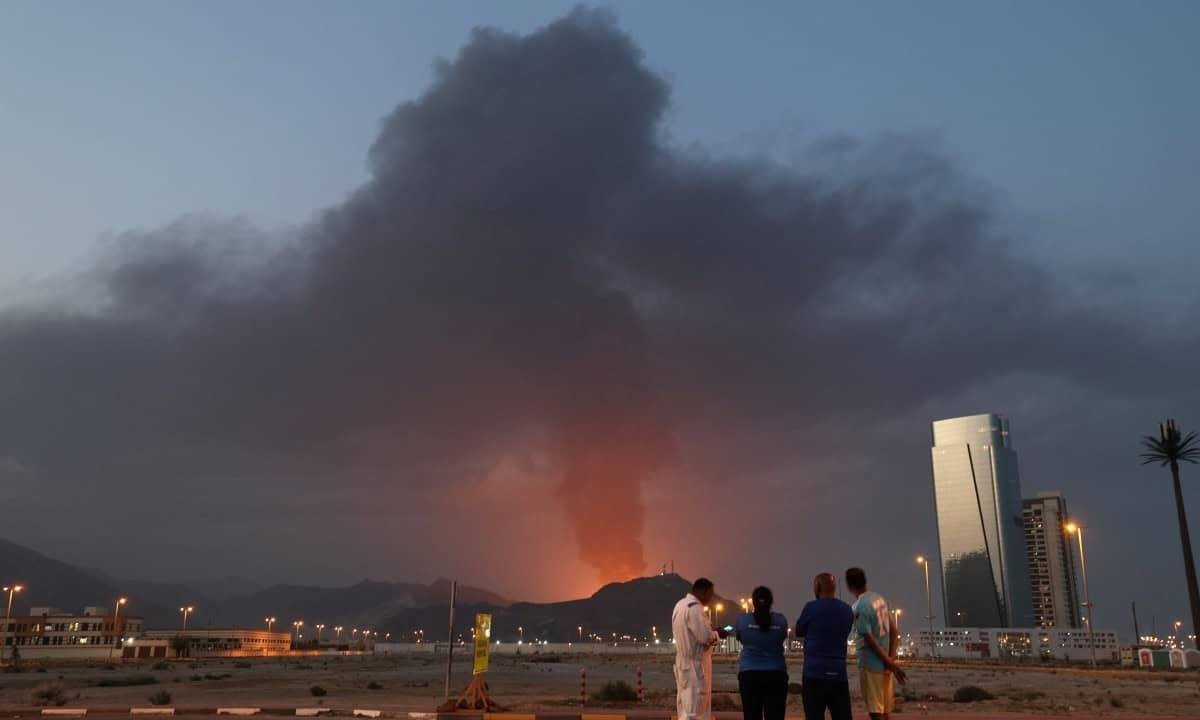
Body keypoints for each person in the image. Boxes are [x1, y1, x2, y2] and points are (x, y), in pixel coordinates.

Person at [846, 567, 906, 720]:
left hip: (870, 665)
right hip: (885, 665)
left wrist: (889, 663)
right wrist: (890, 661)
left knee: (875, 712)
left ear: (849, 586)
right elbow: (894, 632)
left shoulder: (859, 607)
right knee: (885, 711)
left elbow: (868, 639)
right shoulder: (879, 600)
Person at [795, 573, 854, 720]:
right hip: (838, 673)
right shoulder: (846, 609)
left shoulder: (810, 608)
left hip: (814, 673)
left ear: (817, 587)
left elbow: (799, 630)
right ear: (834, 588)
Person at [735, 586, 789, 720]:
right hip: (776, 674)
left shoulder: (743, 621)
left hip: (749, 674)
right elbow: (782, 637)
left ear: (753, 602)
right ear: (771, 602)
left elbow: (740, 638)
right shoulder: (780, 620)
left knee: (752, 715)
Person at [672, 578, 722, 720]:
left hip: (683, 664)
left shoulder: (679, 605)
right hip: (696, 666)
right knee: (696, 709)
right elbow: (705, 637)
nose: (711, 599)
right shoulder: (695, 608)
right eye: (710, 595)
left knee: (685, 707)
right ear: (703, 592)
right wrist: (717, 634)